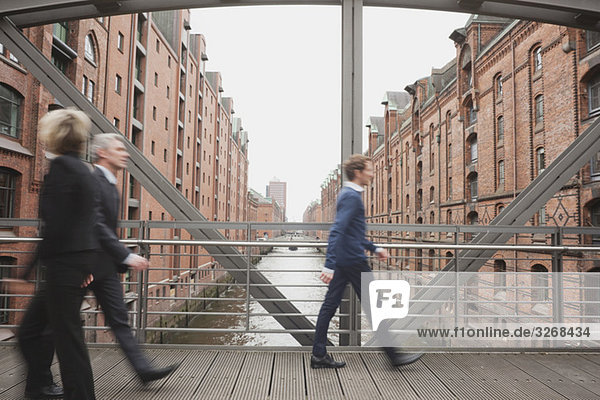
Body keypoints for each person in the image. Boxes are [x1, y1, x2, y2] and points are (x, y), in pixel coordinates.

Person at [311, 154, 422, 368]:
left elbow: (352, 233)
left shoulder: (349, 195)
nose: (372, 173)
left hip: (347, 260)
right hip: (352, 261)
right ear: (358, 172)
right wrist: (329, 264)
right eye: (369, 170)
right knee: (375, 307)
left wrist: (375, 247)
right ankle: (394, 355)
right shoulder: (351, 197)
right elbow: (337, 231)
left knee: (329, 306)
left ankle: (318, 355)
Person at [18, 108, 98, 399]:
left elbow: (57, 225)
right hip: (71, 265)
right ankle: (39, 386)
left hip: (64, 267)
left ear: (55, 136)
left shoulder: (63, 169)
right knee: (33, 333)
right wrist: (87, 263)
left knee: (68, 343)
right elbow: (87, 221)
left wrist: (27, 270)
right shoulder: (84, 170)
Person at [88, 133, 180, 382]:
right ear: (103, 153)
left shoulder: (109, 183)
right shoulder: (92, 179)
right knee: (53, 322)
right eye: (119, 149)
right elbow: (95, 224)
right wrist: (127, 256)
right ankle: (39, 377)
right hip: (83, 266)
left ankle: (143, 370)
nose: (125, 153)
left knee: (120, 320)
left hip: (104, 266)